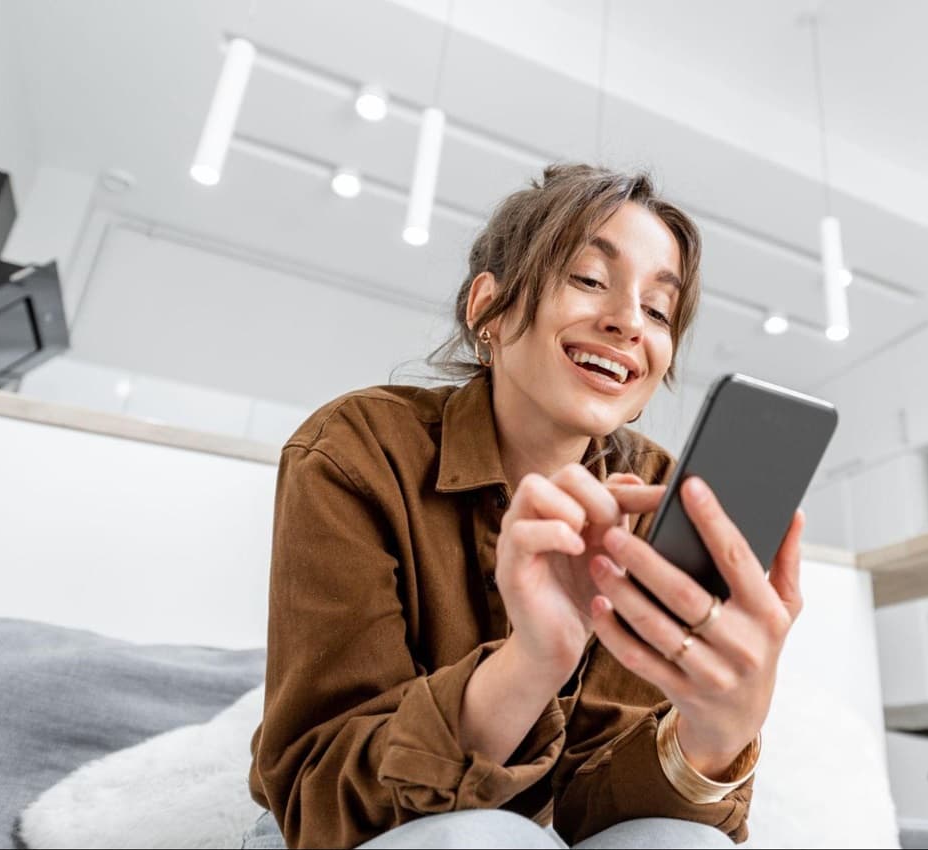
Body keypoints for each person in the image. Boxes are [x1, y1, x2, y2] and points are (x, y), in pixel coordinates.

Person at [246, 164, 807, 849]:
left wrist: (714, 738)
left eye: (659, 310)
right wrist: (533, 660)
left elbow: (600, 815)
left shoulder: (657, 495)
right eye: (590, 280)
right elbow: (318, 800)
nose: (629, 322)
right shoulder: (357, 450)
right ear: (489, 308)